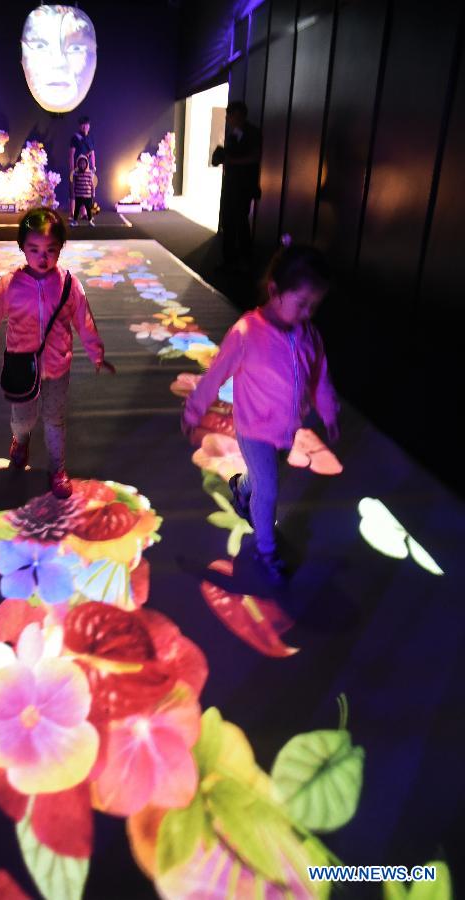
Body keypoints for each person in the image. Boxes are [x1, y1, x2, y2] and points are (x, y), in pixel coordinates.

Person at [181, 242, 339, 583]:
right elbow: (216, 374)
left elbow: (319, 375)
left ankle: (242, 487)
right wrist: (194, 409)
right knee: (269, 490)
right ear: (274, 290)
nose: (307, 313)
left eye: (314, 306)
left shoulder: (308, 334)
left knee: (262, 478)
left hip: (287, 429)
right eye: (301, 304)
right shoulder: (247, 333)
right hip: (253, 429)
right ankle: (267, 548)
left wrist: (328, 410)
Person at [0, 207, 115, 498]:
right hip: (20, 366)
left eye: (50, 249)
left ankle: (57, 468)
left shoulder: (68, 284)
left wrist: (96, 352)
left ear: (60, 248)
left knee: (55, 420)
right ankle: (20, 440)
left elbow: (84, 320)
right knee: (22, 419)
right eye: (34, 249)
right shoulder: (10, 285)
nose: (43, 257)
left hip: (57, 367)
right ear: (22, 248)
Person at [212, 100, 261, 268]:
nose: (227, 119)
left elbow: (255, 157)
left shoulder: (253, 132)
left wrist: (230, 159)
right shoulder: (233, 134)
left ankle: (245, 261)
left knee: (240, 222)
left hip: (244, 186)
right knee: (228, 221)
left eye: (229, 116)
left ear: (238, 115)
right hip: (231, 185)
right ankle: (229, 261)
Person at [69, 115, 95, 218]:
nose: (85, 127)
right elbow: (71, 154)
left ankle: (84, 213)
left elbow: (92, 154)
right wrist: (71, 169)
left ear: (89, 125)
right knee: (74, 190)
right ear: (80, 126)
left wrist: (93, 167)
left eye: (87, 125)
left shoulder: (90, 138)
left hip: (87, 169)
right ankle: (72, 213)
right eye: (83, 125)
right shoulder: (75, 137)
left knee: (85, 190)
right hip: (76, 168)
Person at [69, 154, 95, 227]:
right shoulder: (76, 173)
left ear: (86, 164)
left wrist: (93, 193)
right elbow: (74, 184)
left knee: (88, 209)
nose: (82, 165)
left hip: (88, 195)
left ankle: (90, 221)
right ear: (78, 164)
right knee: (77, 209)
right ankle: (75, 221)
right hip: (78, 195)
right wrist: (73, 193)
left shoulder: (90, 173)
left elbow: (92, 184)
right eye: (80, 163)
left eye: (84, 163)